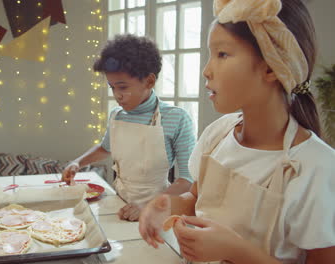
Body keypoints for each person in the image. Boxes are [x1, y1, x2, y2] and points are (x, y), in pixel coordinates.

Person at [139, 0, 335, 263]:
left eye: (222, 54)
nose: (206, 70)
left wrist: (236, 251)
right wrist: (164, 207)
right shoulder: (218, 134)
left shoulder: (315, 167)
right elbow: (196, 198)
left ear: (270, 67)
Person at [62, 34, 196, 221]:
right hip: (119, 206)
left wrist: (149, 206)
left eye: (123, 87)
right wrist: (77, 162)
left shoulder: (176, 118)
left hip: (156, 213)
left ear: (149, 81)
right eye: (112, 87)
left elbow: (188, 180)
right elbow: (104, 148)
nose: (117, 95)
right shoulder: (117, 115)